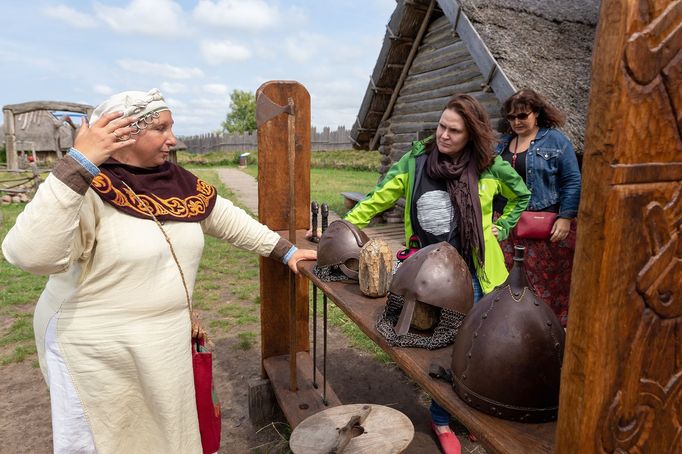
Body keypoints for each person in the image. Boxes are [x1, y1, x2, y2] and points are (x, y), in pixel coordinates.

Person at [1, 88, 316, 454]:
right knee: (109, 437)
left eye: (172, 127)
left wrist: (286, 251)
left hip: (163, 340)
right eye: (161, 129)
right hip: (97, 350)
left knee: (165, 435)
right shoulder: (84, 188)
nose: (173, 139)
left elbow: (230, 221)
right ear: (125, 134)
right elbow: (30, 254)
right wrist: (77, 165)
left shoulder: (178, 184)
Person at [344, 94, 530, 454]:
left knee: (479, 347)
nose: (443, 135)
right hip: (430, 277)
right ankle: (442, 418)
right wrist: (344, 230)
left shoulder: (490, 166)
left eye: (454, 131)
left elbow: (521, 196)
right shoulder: (417, 162)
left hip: (478, 273)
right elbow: (379, 197)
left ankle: (471, 412)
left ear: (471, 135)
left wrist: (502, 227)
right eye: (442, 126)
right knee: (441, 348)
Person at [494, 89, 581, 326]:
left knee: (548, 282)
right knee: (508, 279)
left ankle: (551, 331)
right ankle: (516, 328)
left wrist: (566, 217)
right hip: (505, 224)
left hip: (543, 226)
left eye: (522, 116)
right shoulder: (501, 144)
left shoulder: (556, 141)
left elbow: (572, 180)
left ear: (537, 113)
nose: (517, 122)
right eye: (512, 117)